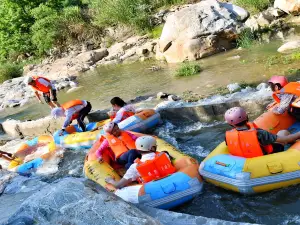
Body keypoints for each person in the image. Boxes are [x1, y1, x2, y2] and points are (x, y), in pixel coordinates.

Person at [224, 107, 300, 158]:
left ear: (230, 124)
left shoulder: (228, 136)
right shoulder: (259, 133)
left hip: (244, 159)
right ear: (247, 117)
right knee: (283, 132)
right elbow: (286, 139)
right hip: (266, 156)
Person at [105, 136, 175, 189]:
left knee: (127, 165)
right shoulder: (164, 155)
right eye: (155, 145)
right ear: (153, 148)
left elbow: (118, 185)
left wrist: (110, 180)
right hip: (172, 181)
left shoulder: (135, 167)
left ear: (138, 150)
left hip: (153, 190)